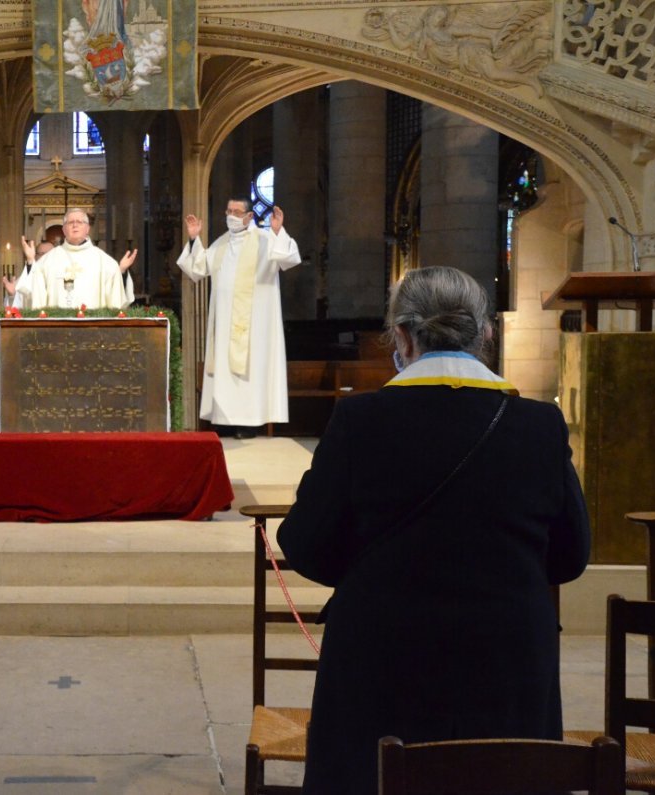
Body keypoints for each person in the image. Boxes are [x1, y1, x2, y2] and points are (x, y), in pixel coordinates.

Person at [275, 266, 591, 795]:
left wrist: (371, 570)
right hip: (507, 656)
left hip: (382, 655)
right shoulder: (539, 425)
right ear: (486, 333)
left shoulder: (361, 420)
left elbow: (305, 544)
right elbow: (570, 556)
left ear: (400, 335)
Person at [177, 199, 300, 439]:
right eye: (228, 211)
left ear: (249, 215)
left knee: (248, 370)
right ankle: (224, 421)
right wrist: (194, 239)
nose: (231, 215)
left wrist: (276, 230)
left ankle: (249, 423)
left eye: (236, 212)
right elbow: (197, 268)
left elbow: (288, 258)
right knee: (224, 368)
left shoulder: (264, 240)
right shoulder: (221, 243)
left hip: (254, 325)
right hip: (224, 323)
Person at [22, 208, 136, 309]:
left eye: (80, 222)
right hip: (56, 330)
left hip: (94, 330)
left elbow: (118, 301)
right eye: (70, 222)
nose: (75, 225)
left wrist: (122, 271)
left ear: (87, 229)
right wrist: (31, 261)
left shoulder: (106, 263)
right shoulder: (47, 261)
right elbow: (32, 295)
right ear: (64, 230)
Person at [3, 237, 55, 310]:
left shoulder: (63, 276)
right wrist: (12, 295)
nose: (45, 257)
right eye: (41, 254)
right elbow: (12, 309)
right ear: (35, 256)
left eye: (49, 253)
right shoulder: (24, 279)